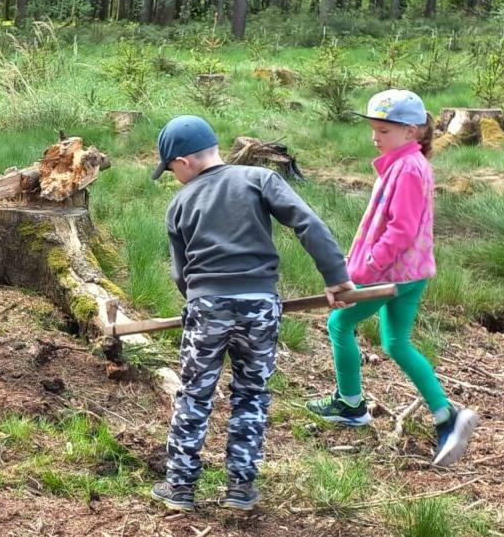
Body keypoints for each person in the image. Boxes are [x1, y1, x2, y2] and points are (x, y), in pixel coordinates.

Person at [150, 115, 354, 513]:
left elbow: (181, 273)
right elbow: (306, 223)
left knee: (194, 393)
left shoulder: (180, 202)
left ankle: (180, 487)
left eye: (170, 168)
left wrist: (195, 304)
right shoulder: (259, 179)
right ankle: (240, 488)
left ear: (184, 161)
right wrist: (335, 275)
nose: (173, 176)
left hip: (207, 305)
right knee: (252, 393)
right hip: (260, 304)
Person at [307, 89, 478, 467]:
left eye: (384, 130)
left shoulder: (409, 169)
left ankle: (350, 404)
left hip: (391, 273)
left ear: (411, 132)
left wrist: (361, 270)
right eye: (373, 129)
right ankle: (446, 416)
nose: (375, 137)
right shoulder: (404, 164)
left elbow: (400, 231)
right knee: (397, 342)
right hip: (410, 273)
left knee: (339, 322)